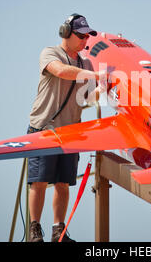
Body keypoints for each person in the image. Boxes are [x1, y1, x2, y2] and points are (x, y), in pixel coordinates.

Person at [27, 14, 102, 242]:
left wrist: (108, 88)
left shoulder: (86, 63)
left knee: (63, 183)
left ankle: (58, 230)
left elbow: (89, 97)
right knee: (39, 181)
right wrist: (96, 75)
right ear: (65, 33)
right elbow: (60, 71)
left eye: (87, 35)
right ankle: (34, 229)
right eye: (80, 35)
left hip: (70, 132)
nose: (84, 40)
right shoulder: (50, 53)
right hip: (44, 127)